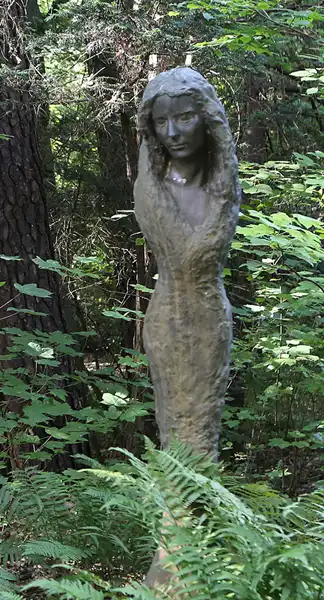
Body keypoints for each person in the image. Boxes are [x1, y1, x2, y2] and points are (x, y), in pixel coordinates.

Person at [133, 67, 240, 459]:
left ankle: (197, 508)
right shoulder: (152, 188)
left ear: (206, 118)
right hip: (166, 316)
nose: (173, 132)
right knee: (174, 428)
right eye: (161, 121)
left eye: (184, 117)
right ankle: (175, 511)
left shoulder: (223, 184)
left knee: (203, 423)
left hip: (210, 316)